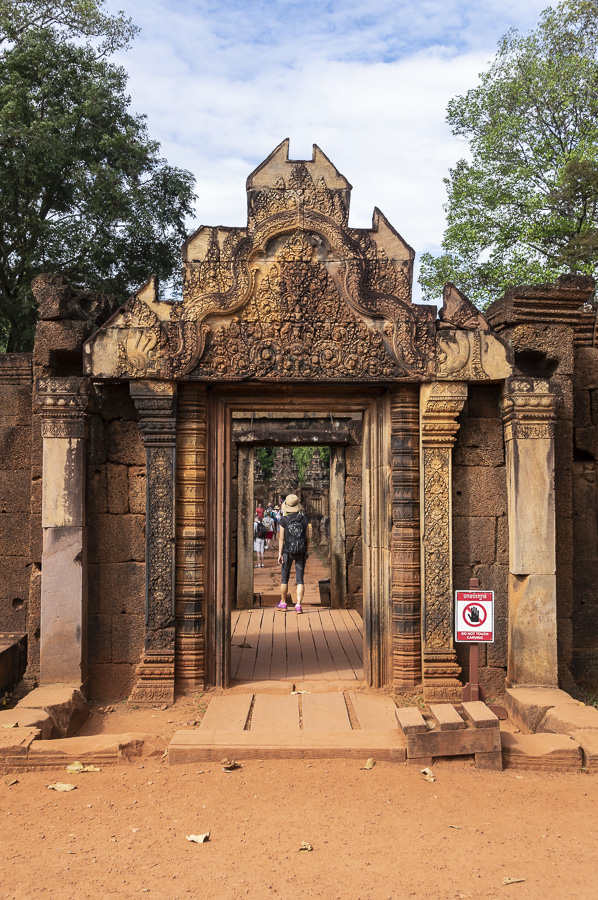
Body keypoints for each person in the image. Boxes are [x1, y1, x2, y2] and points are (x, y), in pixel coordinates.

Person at [276, 493, 309, 614]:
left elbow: (281, 538)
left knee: (284, 579)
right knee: (300, 579)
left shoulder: (283, 520)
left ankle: (283, 603)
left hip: (287, 552)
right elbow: (307, 537)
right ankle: (299, 605)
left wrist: (280, 554)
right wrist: (306, 551)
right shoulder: (304, 518)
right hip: (301, 551)